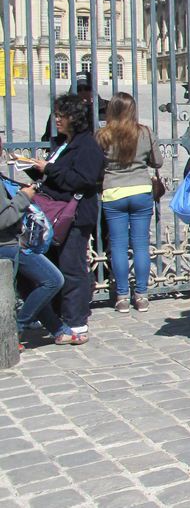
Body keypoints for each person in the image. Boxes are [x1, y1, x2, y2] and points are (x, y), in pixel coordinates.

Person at [28, 94, 105, 340]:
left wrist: (49, 169)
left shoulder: (88, 145)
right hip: (54, 214)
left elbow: (83, 179)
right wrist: (34, 169)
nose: (57, 120)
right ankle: (54, 314)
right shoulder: (63, 143)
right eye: (57, 115)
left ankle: (76, 319)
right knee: (53, 266)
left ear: (75, 118)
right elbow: (58, 175)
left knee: (73, 267)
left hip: (75, 215)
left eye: (62, 116)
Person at [97, 92, 161, 313]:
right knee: (141, 245)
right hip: (141, 190)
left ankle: (122, 296)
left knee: (118, 246)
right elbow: (158, 161)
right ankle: (141, 295)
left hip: (114, 192)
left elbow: (96, 165)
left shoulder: (103, 135)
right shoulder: (144, 132)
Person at [0, 179, 84, 344]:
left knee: (34, 287)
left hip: (12, 242)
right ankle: (16, 328)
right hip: (7, 244)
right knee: (52, 280)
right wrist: (24, 197)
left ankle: (58, 329)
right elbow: (3, 219)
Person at [41, 74, 108, 142]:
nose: (83, 92)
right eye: (79, 89)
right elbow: (47, 139)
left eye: (87, 88)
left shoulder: (107, 108)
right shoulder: (60, 112)